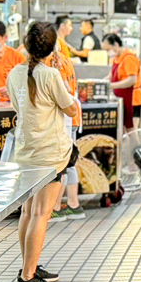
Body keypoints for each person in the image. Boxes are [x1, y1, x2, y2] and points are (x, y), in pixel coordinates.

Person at [6, 22, 79, 282]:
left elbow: (18, 106)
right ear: (52, 46)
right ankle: (27, 277)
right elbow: (71, 109)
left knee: (28, 211)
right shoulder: (50, 76)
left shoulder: (15, 73)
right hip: (51, 154)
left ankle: (30, 266)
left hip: (25, 152)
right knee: (41, 213)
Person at [48, 26, 85, 221]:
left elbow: (58, 92)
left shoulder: (53, 63)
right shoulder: (66, 60)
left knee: (62, 163)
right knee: (70, 162)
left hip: (64, 117)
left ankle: (56, 206)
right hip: (71, 116)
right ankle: (73, 204)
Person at [104, 33, 141, 131]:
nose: (108, 52)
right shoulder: (116, 59)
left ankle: (136, 147)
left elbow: (132, 80)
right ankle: (129, 147)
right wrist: (100, 83)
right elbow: (111, 76)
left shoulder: (129, 58)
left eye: (108, 49)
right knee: (124, 130)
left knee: (131, 131)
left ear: (116, 45)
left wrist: (111, 86)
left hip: (132, 99)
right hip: (122, 99)